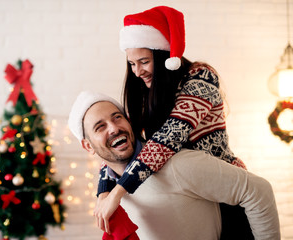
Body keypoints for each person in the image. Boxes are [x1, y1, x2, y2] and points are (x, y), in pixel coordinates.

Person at [95, 6, 253, 239]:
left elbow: (169, 137)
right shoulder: (147, 93)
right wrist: (103, 192)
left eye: (144, 61)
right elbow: (124, 146)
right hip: (186, 196)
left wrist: (118, 191)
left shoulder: (201, 76)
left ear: (163, 56)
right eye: (131, 63)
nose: (137, 71)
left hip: (223, 193)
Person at [67, 91, 280, 240]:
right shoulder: (108, 190)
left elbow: (259, 191)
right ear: (88, 146)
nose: (114, 128)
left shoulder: (177, 165)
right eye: (100, 126)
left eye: (117, 117)